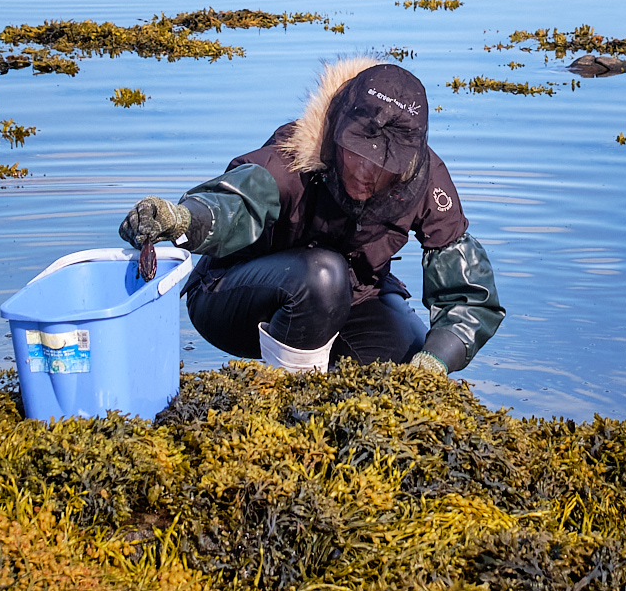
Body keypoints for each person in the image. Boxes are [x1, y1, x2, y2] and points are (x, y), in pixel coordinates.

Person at [117, 57, 503, 374]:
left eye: (383, 166)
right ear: (337, 131)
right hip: (233, 295)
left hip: (355, 299)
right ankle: (293, 397)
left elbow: (468, 297)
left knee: (403, 371)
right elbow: (234, 204)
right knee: (322, 275)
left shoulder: (429, 184)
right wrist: (183, 219)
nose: (365, 175)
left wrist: (434, 362)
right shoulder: (291, 156)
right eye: (357, 154)